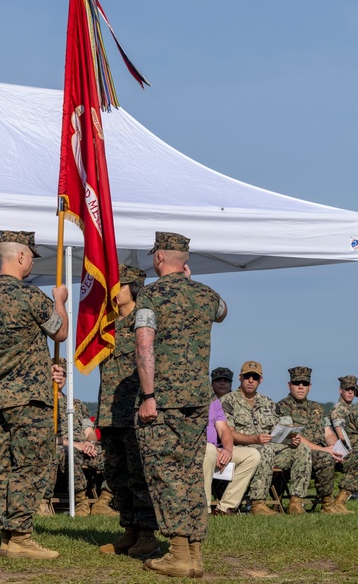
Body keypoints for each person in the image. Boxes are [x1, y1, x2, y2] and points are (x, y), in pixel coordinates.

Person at [135, 231, 227, 578]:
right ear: (184, 261)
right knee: (190, 472)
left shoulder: (151, 295)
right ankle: (195, 552)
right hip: (196, 399)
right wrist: (190, 281)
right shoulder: (206, 295)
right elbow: (223, 311)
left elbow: (145, 346)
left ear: (159, 257)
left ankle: (177, 552)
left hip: (164, 400)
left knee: (165, 473)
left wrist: (147, 396)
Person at [0, 230, 67, 559]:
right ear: (23, 257)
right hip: (29, 399)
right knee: (31, 466)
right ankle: (22, 537)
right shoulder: (29, 296)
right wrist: (59, 299)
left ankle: (8, 536)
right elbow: (61, 330)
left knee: (6, 468)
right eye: (31, 259)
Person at [98, 264, 160, 558]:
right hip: (110, 412)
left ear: (133, 287)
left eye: (118, 285)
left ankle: (147, 534)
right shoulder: (105, 326)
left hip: (135, 412)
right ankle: (129, 531)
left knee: (139, 476)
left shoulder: (143, 323)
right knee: (116, 475)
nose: (113, 291)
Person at [221, 360, 312, 516]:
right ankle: (258, 503)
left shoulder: (268, 403)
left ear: (260, 380)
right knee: (264, 450)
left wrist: (291, 439)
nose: (251, 380)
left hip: (268, 449)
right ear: (240, 378)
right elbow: (228, 434)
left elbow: (281, 428)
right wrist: (254, 439)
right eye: (247, 376)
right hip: (242, 450)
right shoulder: (227, 402)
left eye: (255, 377)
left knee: (302, 449)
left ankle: (296, 501)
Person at [275, 366, 348, 514]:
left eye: (305, 383)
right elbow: (294, 436)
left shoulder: (317, 408)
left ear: (310, 387)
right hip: (298, 454)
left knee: (357, 458)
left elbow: (328, 433)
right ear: (289, 385)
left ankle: (341, 500)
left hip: (323, 451)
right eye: (297, 383)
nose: (301, 386)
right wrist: (325, 451)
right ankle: (327, 504)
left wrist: (335, 449)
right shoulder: (282, 407)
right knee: (325, 458)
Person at [45, 364, 114, 518]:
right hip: (62, 448)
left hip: (85, 448)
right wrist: (76, 445)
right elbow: (45, 438)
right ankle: (81, 502)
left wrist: (90, 443)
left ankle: (104, 501)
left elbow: (89, 431)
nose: (60, 377)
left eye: (63, 373)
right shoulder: (43, 405)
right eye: (56, 373)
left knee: (116, 454)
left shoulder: (76, 404)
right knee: (72, 453)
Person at [203, 367, 261, 515]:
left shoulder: (214, 401)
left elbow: (224, 430)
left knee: (253, 455)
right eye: (218, 380)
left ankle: (226, 507)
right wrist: (215, 451)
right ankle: (204, 508)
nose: (222, 383)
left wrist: (227, 450)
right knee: (209, 450)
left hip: (218, 449)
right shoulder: (192, 397)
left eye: (225, 380)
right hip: (200, 448)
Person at [330, 375, 358, 446]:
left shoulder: (354, 409)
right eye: (347, 389)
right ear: (340, 390)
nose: (350, 392)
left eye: (352, 389)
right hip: (350, 448)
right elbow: (342, 436)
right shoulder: (338, 410)